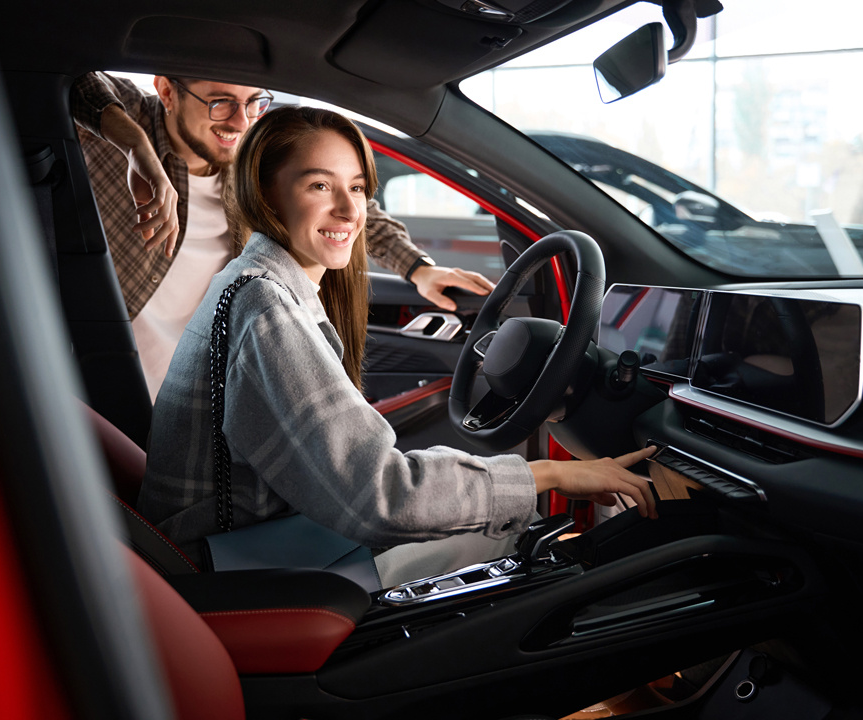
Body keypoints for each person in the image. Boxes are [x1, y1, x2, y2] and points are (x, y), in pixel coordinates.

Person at [138, 106, 657, 587]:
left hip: (241, 545)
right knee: (511, 540)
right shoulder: (267, 307)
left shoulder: (253, 283)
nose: (348, 210)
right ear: (267, 194)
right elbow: (379, 497)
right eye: (320, 185)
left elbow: (357, 480)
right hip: (224, 570)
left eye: (358, 188)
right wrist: (551, 473)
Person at [70, 72, 495, 400]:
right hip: (93, 380)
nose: (240, 121)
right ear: (166, 91)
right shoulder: (122, 120)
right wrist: (136, 148)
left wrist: (419, 269)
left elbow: (347, 205)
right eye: (220, 102)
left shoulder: (251, 166)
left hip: (188, 390)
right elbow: (70, 76)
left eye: (254, 102)